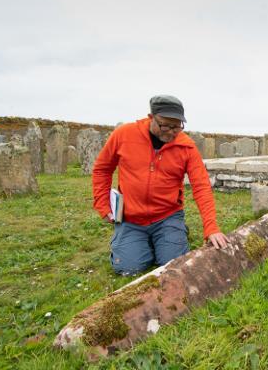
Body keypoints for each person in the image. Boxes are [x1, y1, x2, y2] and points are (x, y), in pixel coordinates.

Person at [92, 95, 229, 275]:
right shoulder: (123, 135)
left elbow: (201, 186)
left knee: (173, 265)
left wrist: (211, 227)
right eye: (166, 125)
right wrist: (102, 204)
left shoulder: (187, 147)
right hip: (131, 217)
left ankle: (173, 233)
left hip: (167, 216)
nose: (172, 131)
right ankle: (136, 241)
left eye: (177, 126)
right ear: (151, 117)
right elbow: (102, 169)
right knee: (129, 268)